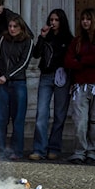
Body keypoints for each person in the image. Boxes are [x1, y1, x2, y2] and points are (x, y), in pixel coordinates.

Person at [64, 8, 95, 164]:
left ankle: (93, 151)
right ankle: (79, 152)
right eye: (83, 19)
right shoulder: (76, 42)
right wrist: (90, 60)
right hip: (80, 86)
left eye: (88, 19)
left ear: (94, 20)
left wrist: (82, 60)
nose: (85, 22)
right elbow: (68, 61)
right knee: (80, 122)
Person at [29, 9, 74, 161]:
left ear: (62, 21)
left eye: (56, 20)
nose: (53, 23)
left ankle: (54, 148)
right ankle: (39, 149)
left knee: (60, 115)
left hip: (62, 77)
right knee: (41, 113)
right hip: (46, 76)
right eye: (51, 20)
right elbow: (36, 54)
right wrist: (41, 37)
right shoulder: (46, 37)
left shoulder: (68, 39)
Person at [0, 15, 34, 160]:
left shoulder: (27, 41)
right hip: (2, 84)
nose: (12, 29)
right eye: (10, 26)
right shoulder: (2, 39)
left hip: (18, 83)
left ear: (21, 27)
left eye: (15, 26)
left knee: (18, 119)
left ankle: (16, 151)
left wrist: (6, 76)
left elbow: (23, 63)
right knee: (0, 118)